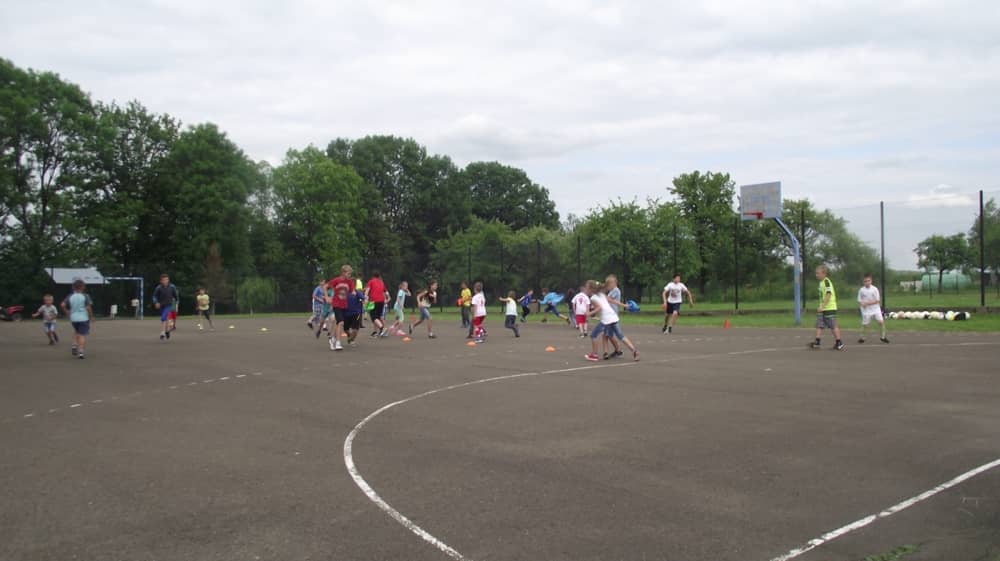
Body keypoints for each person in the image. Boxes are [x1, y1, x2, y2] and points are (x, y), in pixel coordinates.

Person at [585, 280, 638, 362]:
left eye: (587, 287)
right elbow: (612, 301)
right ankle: (634, 351)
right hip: (613, 317)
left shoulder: (593, 298)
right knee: (620, 336)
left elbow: (599, 308)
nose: (586, 289)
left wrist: (589, 313)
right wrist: (625, 305)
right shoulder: (602, 295)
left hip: (606, 320)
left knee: (593, 335)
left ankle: (594, 355)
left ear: (591, 289)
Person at [810, 265, 844, 350]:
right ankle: (817, 341)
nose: (816, 275)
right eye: (816, 273)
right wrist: (821, 306)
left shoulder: (826, 282)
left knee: (833, 326)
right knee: (819, 324)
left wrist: (822, 306)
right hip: (823, 308)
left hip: (829, 308)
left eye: (818, 273)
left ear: (824, 273)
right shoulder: (821, 283)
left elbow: (828, 294)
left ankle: (839, 342)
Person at [61, 279, 94, 359]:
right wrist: (91, 316)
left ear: (73, 287)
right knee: (82, 335)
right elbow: (88, 307)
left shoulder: (70, 296)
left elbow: (62, 305)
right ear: (83, 287)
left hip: (73, 318)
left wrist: (67, 312)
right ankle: (81, 352)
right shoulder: (85, 296)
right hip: (83, 318)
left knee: (76, 331)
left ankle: (74, 345)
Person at [326, 265, 354, 351]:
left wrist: (354, 293)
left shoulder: (349, 282)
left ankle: (332, 338)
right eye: (348, 273)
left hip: (344, 305)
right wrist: (327, 297)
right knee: (341, 322)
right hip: (336, 304)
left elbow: (352, 290)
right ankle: (338, 342)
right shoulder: (336, 280)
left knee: (339, 324)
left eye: (350, 274)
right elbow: (325, 287)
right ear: (343, 273)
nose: (349, 275)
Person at [857, 273, 889, 344]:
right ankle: (862, 338)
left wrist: (867, 303)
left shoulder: (875, 289)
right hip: (866, 311)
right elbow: (859, 300)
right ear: (863, 282)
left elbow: (877, 300)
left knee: (881, 322)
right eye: (865, 281)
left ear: (871, 281)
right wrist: (862, 304)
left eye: (868, 281)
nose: (867, 282)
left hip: (875, 309)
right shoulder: (861, 290)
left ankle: (883, 337)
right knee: (866, 325)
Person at [603, 275, 625, 359]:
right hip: (610, 315)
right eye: (607, 284)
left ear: (615, 283)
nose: (608, 285)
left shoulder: (615, 290)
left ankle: (618, 350)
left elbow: (607, 299)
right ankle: (617, 350)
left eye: (609, 283)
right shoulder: (612, 291)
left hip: (612, 316)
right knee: (609, 335)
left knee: (611, 334)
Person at [152, 274, 179, 341]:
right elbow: (154, 296)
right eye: (164, 280)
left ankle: (162, 333)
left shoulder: (172, 287)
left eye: (167, 279)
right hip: (161, 305)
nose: (165, 281)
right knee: (165, 318)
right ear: (161, 281)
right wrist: (156, 302)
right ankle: (167, 331)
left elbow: (175, 296)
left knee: (163, 317)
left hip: (169, 305)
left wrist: (176, 302)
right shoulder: (158, 288)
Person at [364, 271, 388, 338]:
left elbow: (367, 291)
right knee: (377, 317)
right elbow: (386, 292)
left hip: (372, 301)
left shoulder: (371, 281)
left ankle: (382, 328)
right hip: (382, 301)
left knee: (373, 317)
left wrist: (365, 298)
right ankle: (375, 332)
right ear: (379, 276)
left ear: (373, 276)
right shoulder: (381, 282)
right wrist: (387, 299)